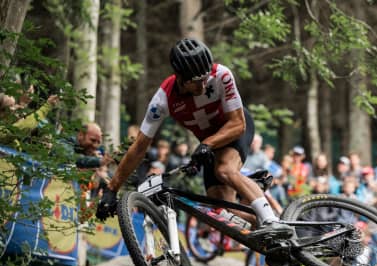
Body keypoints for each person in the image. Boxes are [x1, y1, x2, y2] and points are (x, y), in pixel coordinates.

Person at [96, 38, 289, 240]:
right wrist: (111, 189)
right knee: (221, 213)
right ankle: (278, 239)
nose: (204, 84)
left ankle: (271, 220)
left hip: (233, 129)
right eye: (197, 80)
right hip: (210, 145)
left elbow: (238, 124)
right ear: (180, 77)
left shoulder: (221, 75)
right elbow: (139, 148)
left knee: (224, 169)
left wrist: (207, 144)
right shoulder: (163, 100)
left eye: (206, 77)